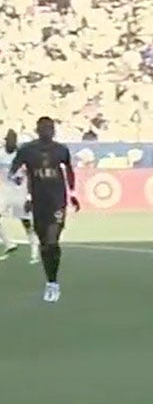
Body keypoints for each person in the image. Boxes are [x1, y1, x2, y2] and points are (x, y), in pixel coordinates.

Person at [8, 117, 80, 302]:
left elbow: (69, 171)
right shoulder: (27, 150)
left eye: (51, 128)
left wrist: (72, 193)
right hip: (38, 202)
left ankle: (53, 284)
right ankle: (50, 279)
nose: (49, 131)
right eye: (45, 128)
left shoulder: (61, 150)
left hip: (57, 201)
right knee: (44, 244)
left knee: (51, 241)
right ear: (38, 130)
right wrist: (20, 184)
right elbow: (13, 171)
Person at [0, 129, 39, 264]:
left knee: (26, 222)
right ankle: (9, 244)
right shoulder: (1, 154)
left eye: (11, 140)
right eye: (7, 140)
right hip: (5, 192)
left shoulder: (22, 155)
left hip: (20, 192)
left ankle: (34, 252)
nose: (8, 143)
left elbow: (29, 174)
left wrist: (29, 196)